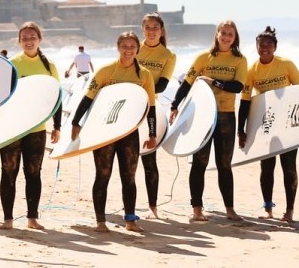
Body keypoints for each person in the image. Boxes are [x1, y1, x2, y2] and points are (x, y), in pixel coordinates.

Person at [70, 31, 157, 232]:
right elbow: (88, 98)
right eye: (124, 46)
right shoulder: (105, 71)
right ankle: (100, 221)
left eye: (132, 46)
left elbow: (150, 107)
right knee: (103, 174)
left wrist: (152, 134)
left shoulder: (144, 74)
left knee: (129, 177)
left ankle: (130, 221)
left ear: (138, 49)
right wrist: (76, 122)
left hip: (129, 133)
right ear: (118, 47)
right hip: (105, 132)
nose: (128, 50)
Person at [0, 22, 62, 230]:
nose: (29, 40)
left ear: (39, 39)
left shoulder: (49, 66)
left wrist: (57, 125)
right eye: (24, 37)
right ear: (19, 40)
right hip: (11, 128)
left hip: (37, 129)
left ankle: (32, 218)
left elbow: (56, 97)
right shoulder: (12, 64)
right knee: (9, 172)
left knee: (34, 173)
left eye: (32, 36)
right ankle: (8, 219)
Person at [170, 20, 247, 222]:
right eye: (223, 33)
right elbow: (187, 83)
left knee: (224, 164)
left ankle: (230, 209)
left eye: (230, 34)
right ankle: (197, 208)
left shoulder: (239, 59)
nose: (226, 37)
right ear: (217, 34)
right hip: (202, 117)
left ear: (235, 37)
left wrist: (213, 81)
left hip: (226, 116)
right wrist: (175, 105)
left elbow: (237, 87)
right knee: (200, 162)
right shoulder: (204, 57)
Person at [238, 26, 299, 223]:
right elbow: (245, 101)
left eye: (268, 45)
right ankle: (268, 208)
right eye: (261, 45)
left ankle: (289, 210)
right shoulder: (251, 71)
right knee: (266, 167)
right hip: (266, 123)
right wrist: (242, 129)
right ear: (256, 47)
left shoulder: (287, 64)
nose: (264, 48)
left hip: (288, 124)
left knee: (288, 166)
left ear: (275, 47)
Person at [135, 13, 177, 219]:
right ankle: (129, 208)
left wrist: (140, 88)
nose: (151, 31)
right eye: (148, 27)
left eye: (155, 27)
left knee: (149, 161)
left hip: (151, 109)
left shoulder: (168, 55)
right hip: (129, 107)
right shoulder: (133, 48)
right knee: (127, 162)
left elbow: (162, 85)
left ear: (162, 30)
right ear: (143, 29)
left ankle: (153, 208)